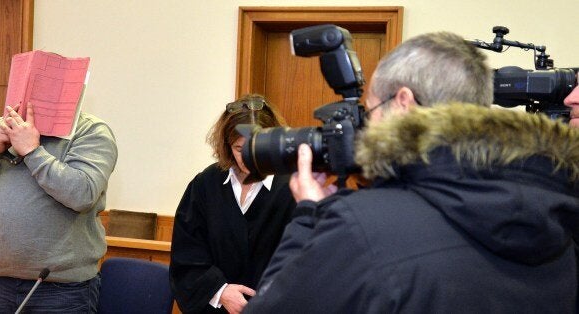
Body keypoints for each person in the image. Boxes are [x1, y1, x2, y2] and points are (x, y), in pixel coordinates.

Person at [244, 32, 579, 313]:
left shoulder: (360, 227)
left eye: (372, 109)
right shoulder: (556, 215)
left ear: (403, 103)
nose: (367, 127)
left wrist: (308, 216)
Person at [0, 103, 118, 312]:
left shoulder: (90, 130)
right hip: (6, 283)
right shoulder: (4, 126)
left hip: (63, 291)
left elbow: (82, 194)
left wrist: (32, 151)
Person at [169, 94, 296, 314]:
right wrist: (220, 292)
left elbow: (310, 262)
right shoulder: (205, 185)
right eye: (240, 149)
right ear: (227, 146)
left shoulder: (295, 188)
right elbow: (186, 257)